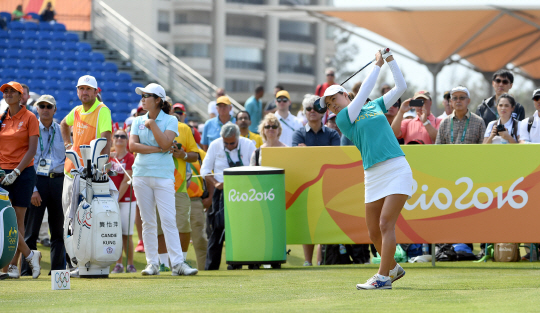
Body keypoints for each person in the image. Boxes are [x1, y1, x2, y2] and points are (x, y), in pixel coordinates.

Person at [320, 49, 410, 290]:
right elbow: (362, 95)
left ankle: (382, 278)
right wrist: (377, 66)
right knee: (373, 232)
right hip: (372, 174)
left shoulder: (375, 107)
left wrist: (389, 61)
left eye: (332, 100)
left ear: (342, 94)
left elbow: (401, 87)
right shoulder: (343, 119)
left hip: (396, 167)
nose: (331, 107)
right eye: (328, 105)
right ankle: (393, 268)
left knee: (385, 224)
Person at [129, 83, 198, 276]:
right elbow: (133, 146)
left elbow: (167, 142)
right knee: (148, 221)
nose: (142, 98)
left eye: (146, 95)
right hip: (141, 175)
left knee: (168, 220)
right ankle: (152, 264)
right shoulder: (137, 121)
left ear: (158, 100)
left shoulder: (170, 120)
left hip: (163, 176)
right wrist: (158, 150)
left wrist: (151, 125)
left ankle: (177, 264)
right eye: (141, 95)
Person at [60, 75, 112, 277]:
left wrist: (103, 166)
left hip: (91, 174)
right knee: (69, 219)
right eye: (81, 88)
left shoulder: (102, 110)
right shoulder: (76, 111)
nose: (84, 92)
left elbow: (106, 140)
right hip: (71, 172)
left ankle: (87, 262)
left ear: (96, 91)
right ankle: (74, 262)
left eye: (88, 89)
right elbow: (64, 124)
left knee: (87, 219)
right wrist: (67, 144)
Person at [19, 95, 65, 277]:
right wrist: (33, 189)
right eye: (42, 106)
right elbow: (28, 160)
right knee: (31, 231)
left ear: (54, 109)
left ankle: (58, 271)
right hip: (37, 180)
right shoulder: (29, 130)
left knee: (58, 231)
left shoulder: (63, 129)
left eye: (49, 106)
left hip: (58, 181)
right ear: (36, 109)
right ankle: (27, 270)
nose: (45, 109)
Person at [0, 81, 42, 279]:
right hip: (2, 172)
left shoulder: (30, 117)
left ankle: (10, 268)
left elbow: (32, 149)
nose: (7, 94)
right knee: (5, 221)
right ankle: (30, 254)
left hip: (23, 173)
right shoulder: (1, 117)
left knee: (17, 221)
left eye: (12, 92)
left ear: (20, 96)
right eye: (5, 91)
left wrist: (16, 171)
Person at [293, 95, 340, 267]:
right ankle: (307, 261)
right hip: (306, 184)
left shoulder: (333, 134)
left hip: (328, 184)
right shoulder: (298, 134)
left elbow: (334, 159)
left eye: (315, 108)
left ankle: (321, 260)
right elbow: (298, 160)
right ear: (304, 113)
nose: (312, 111)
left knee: (325, 222)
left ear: (322, 112)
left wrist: (309, 153)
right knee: (308, 223)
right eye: (308, 109)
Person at [200, 123, 255, 270]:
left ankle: (249, 263)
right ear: (221, 138)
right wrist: (216, 183)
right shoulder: (215, 145)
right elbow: (204, 169)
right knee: (217, 228)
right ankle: (211, 268)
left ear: (238, 138)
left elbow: (257, 168)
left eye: (232, 143)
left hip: (245, 194)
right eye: (226, 143)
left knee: (246, 229)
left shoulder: (248, 145)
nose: (229, 146)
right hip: (222, 193)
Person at [155, 110, 199, 273]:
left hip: (178, 187)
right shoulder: (152, 126)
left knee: (183, 226)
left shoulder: (184, 129)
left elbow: (195, 156)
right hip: (158, 184)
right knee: (159, 226)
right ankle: (164, 263)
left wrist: (183, 154)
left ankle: (180, 262)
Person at [109, 129, 137, 274]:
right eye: (117, 136)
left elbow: (126, 181)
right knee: (116, 233)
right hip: (112, 200)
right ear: (112, 139)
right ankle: (118, 264)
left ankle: (130, 264)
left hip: (126, 200)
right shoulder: (109, 157)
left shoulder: (130, 158)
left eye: (123, 136)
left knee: (127, 234)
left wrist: (115, 198)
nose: (119, 138)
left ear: (127, 140)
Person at [187, 147, 211, 270]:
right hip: (171, 200)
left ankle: (204, 270)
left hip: (195, 200)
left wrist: (211, 197)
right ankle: (173, 269)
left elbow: (209, 175)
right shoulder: (167, 148)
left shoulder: (200, 154)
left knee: (200, 239)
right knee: (173, 238)